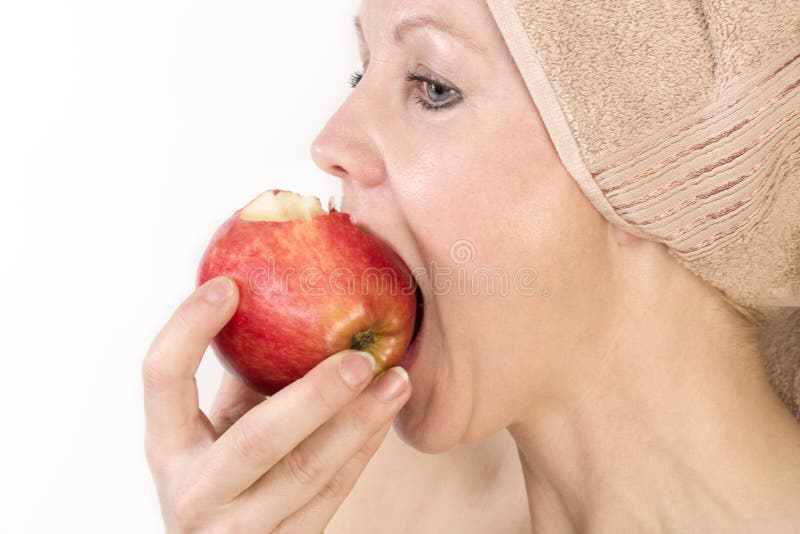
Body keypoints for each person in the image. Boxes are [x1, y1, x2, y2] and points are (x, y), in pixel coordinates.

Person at [143, 0, 800, 532]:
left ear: (656, 177)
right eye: (359, 74)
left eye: (433, 87)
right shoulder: (338, 504)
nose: (328, 145)